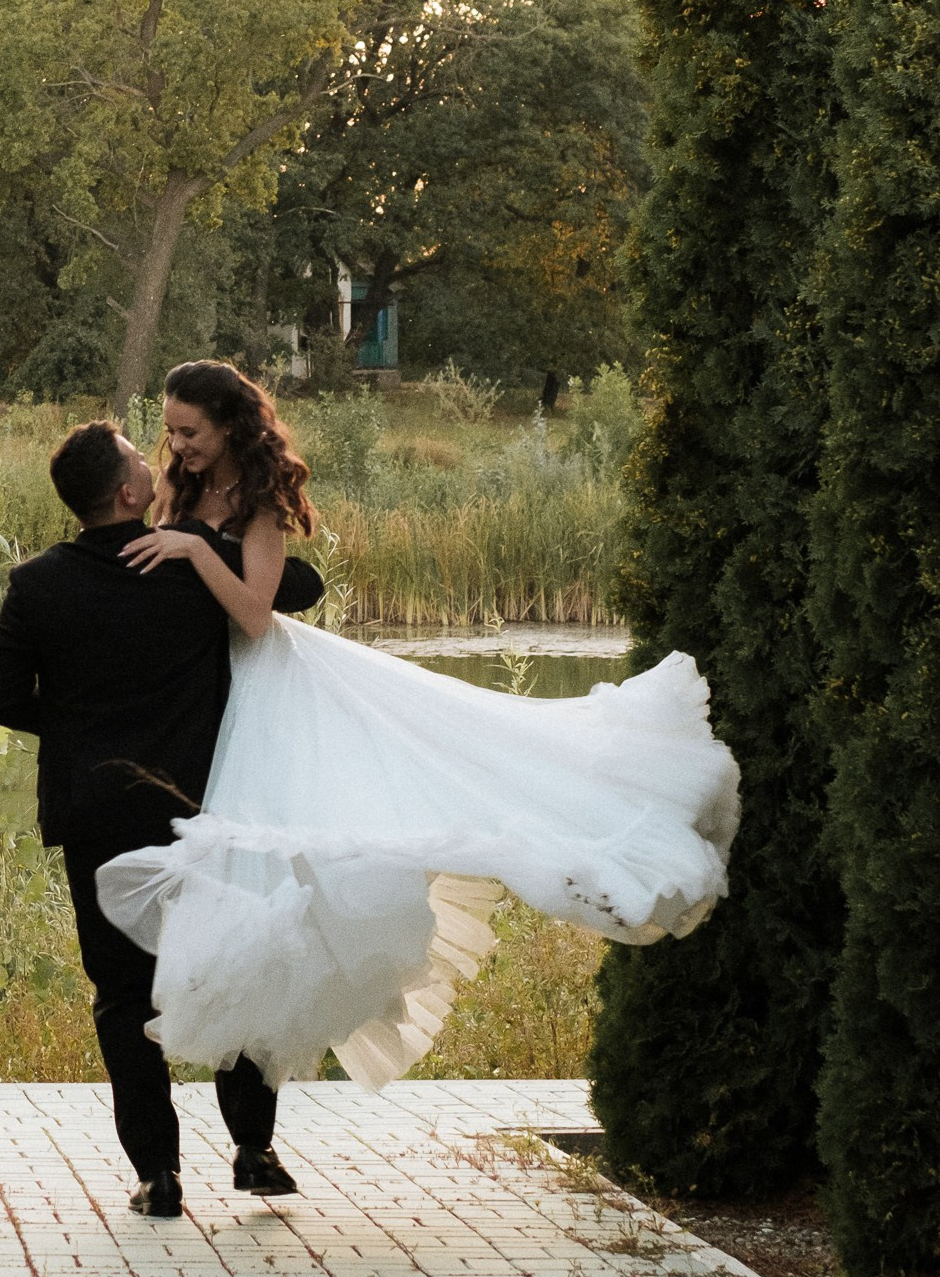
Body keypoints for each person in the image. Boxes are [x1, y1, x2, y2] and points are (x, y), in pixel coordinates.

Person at [96, 358, 741, 1095]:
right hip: (210, 691)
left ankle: (258, 1116)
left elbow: (252, 611)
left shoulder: (259, 502)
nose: (177, 446)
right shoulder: (181, 489)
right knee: (247, 878)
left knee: (322, 844)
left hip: (275, 685)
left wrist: (192, 547)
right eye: (171, 432)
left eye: (191, 431)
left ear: (230, 425)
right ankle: (247, 1080)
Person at [0, 414, 325, 1220]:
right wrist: (211, 544)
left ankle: (157, 1175)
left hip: (96, 813)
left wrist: (79, 729)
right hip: (199, 808)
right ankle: (252, 1149)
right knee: (234, 964)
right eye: (145, 456)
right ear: (132, 493)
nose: (160, 457)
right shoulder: (185, 574)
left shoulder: (35, 584)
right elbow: (298, 590)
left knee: (123, 995)